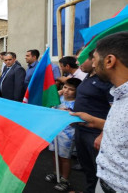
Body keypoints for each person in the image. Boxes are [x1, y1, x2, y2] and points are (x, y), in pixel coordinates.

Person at [71, 32, 128, 193]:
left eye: (94, 59)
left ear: (109, 61)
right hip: (104, 183)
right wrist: (97, 122)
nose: (93, 65)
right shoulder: (119, 94)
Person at [71, 50, 113, 193]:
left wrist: (103, 133)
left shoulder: (106, 81)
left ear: (94, 61)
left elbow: (115, 110)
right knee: (87, 168)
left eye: (81, 60)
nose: (77, 63)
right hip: (81, 130)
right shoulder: (88, 77)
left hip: (95, 134)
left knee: (100, 171)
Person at [45, 78, 82, 191]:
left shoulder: (78, 103)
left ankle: (65, 179)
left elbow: (78, 121)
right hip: (55, 131)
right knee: (54, 153)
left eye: (71, 89)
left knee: (65, 157)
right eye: (65, 87)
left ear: (77, 91)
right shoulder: (58, 98)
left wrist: (69, 113)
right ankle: (56, 172)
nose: (66, 91)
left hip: (68, 134)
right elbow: (48, 103)